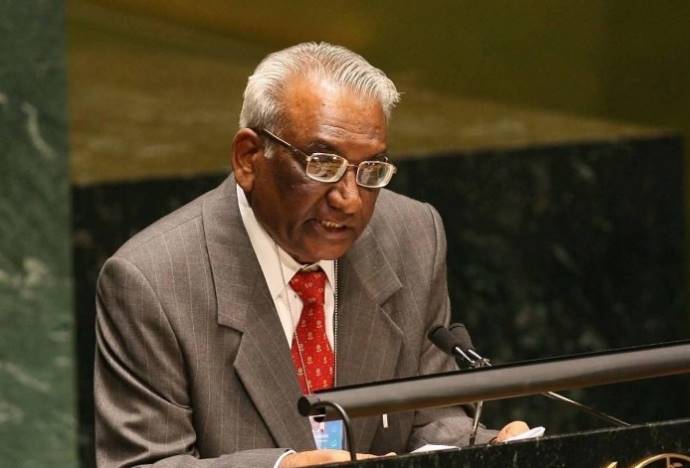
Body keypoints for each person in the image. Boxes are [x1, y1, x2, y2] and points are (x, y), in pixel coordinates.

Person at [94, 42, 528, 468]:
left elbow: (430, 416)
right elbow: (144, 464)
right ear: (248, 159)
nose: (350, 200)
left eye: (372, 170)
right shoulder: (152, 279)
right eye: (323, 164)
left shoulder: (413, 235)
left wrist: (489, 448)